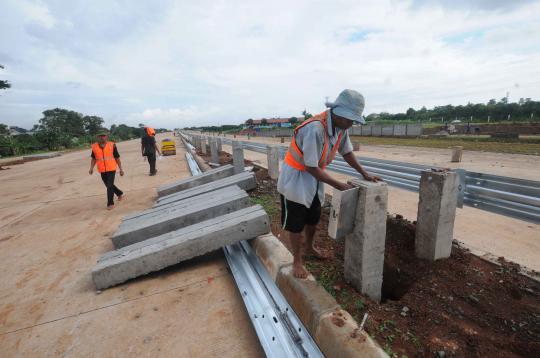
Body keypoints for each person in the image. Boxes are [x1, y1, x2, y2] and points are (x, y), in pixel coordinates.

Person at [277, 89, 382, 278]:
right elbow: (310, 167)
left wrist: (364, 173)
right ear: (338, 113)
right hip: (296, 179)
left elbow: (347, 152)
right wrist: (339, 185)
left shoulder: (341, 128)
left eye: (353, 120)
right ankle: (297, 261)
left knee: (313, 217)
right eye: (350, 119)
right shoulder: (315, 129)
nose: (351, 124)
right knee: (296, 223)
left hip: (315, 178)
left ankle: (309, 247)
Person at [89, 130, 124, 210]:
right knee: (109, 185)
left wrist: (121, 169)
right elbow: (94, 158)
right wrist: (91, 168)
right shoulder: (94, 147)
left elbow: (117, 158)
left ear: (107, 137)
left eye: (103, 136)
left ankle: (110, 203)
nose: (102, 137)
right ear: (98, 137)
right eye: (100, 136)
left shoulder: (112, 145)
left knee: (109, 186)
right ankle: (119, 193)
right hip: (102, 170)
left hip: (111, 169)